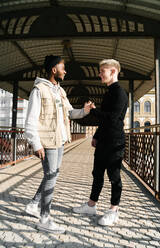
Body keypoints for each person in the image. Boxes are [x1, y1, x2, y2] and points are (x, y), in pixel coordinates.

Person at [25, 55, 91, 233]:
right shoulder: (38, 90)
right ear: (54, 70)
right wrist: (36, 143)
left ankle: (32, 205)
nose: (65, 71)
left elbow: (70, 113)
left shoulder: (60, 91)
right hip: (47, 142)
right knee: (51, 176)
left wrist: (84, 111)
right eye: (63, 68)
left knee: (51, 175)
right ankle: (44, 218)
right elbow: (30, 120)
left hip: (60, 140)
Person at [73, 59, 128, 226]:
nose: (99, 74)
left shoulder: (119, 93)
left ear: (113, 71)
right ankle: (91, 205)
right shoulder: (109, 92)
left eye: (102, 70)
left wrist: (94, 110)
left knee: (114, 177)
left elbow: (112, 118)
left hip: (114, 141)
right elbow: (105, 121)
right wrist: (96, 135)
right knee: (97, 174)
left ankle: (114, 210)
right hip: (104, 140)